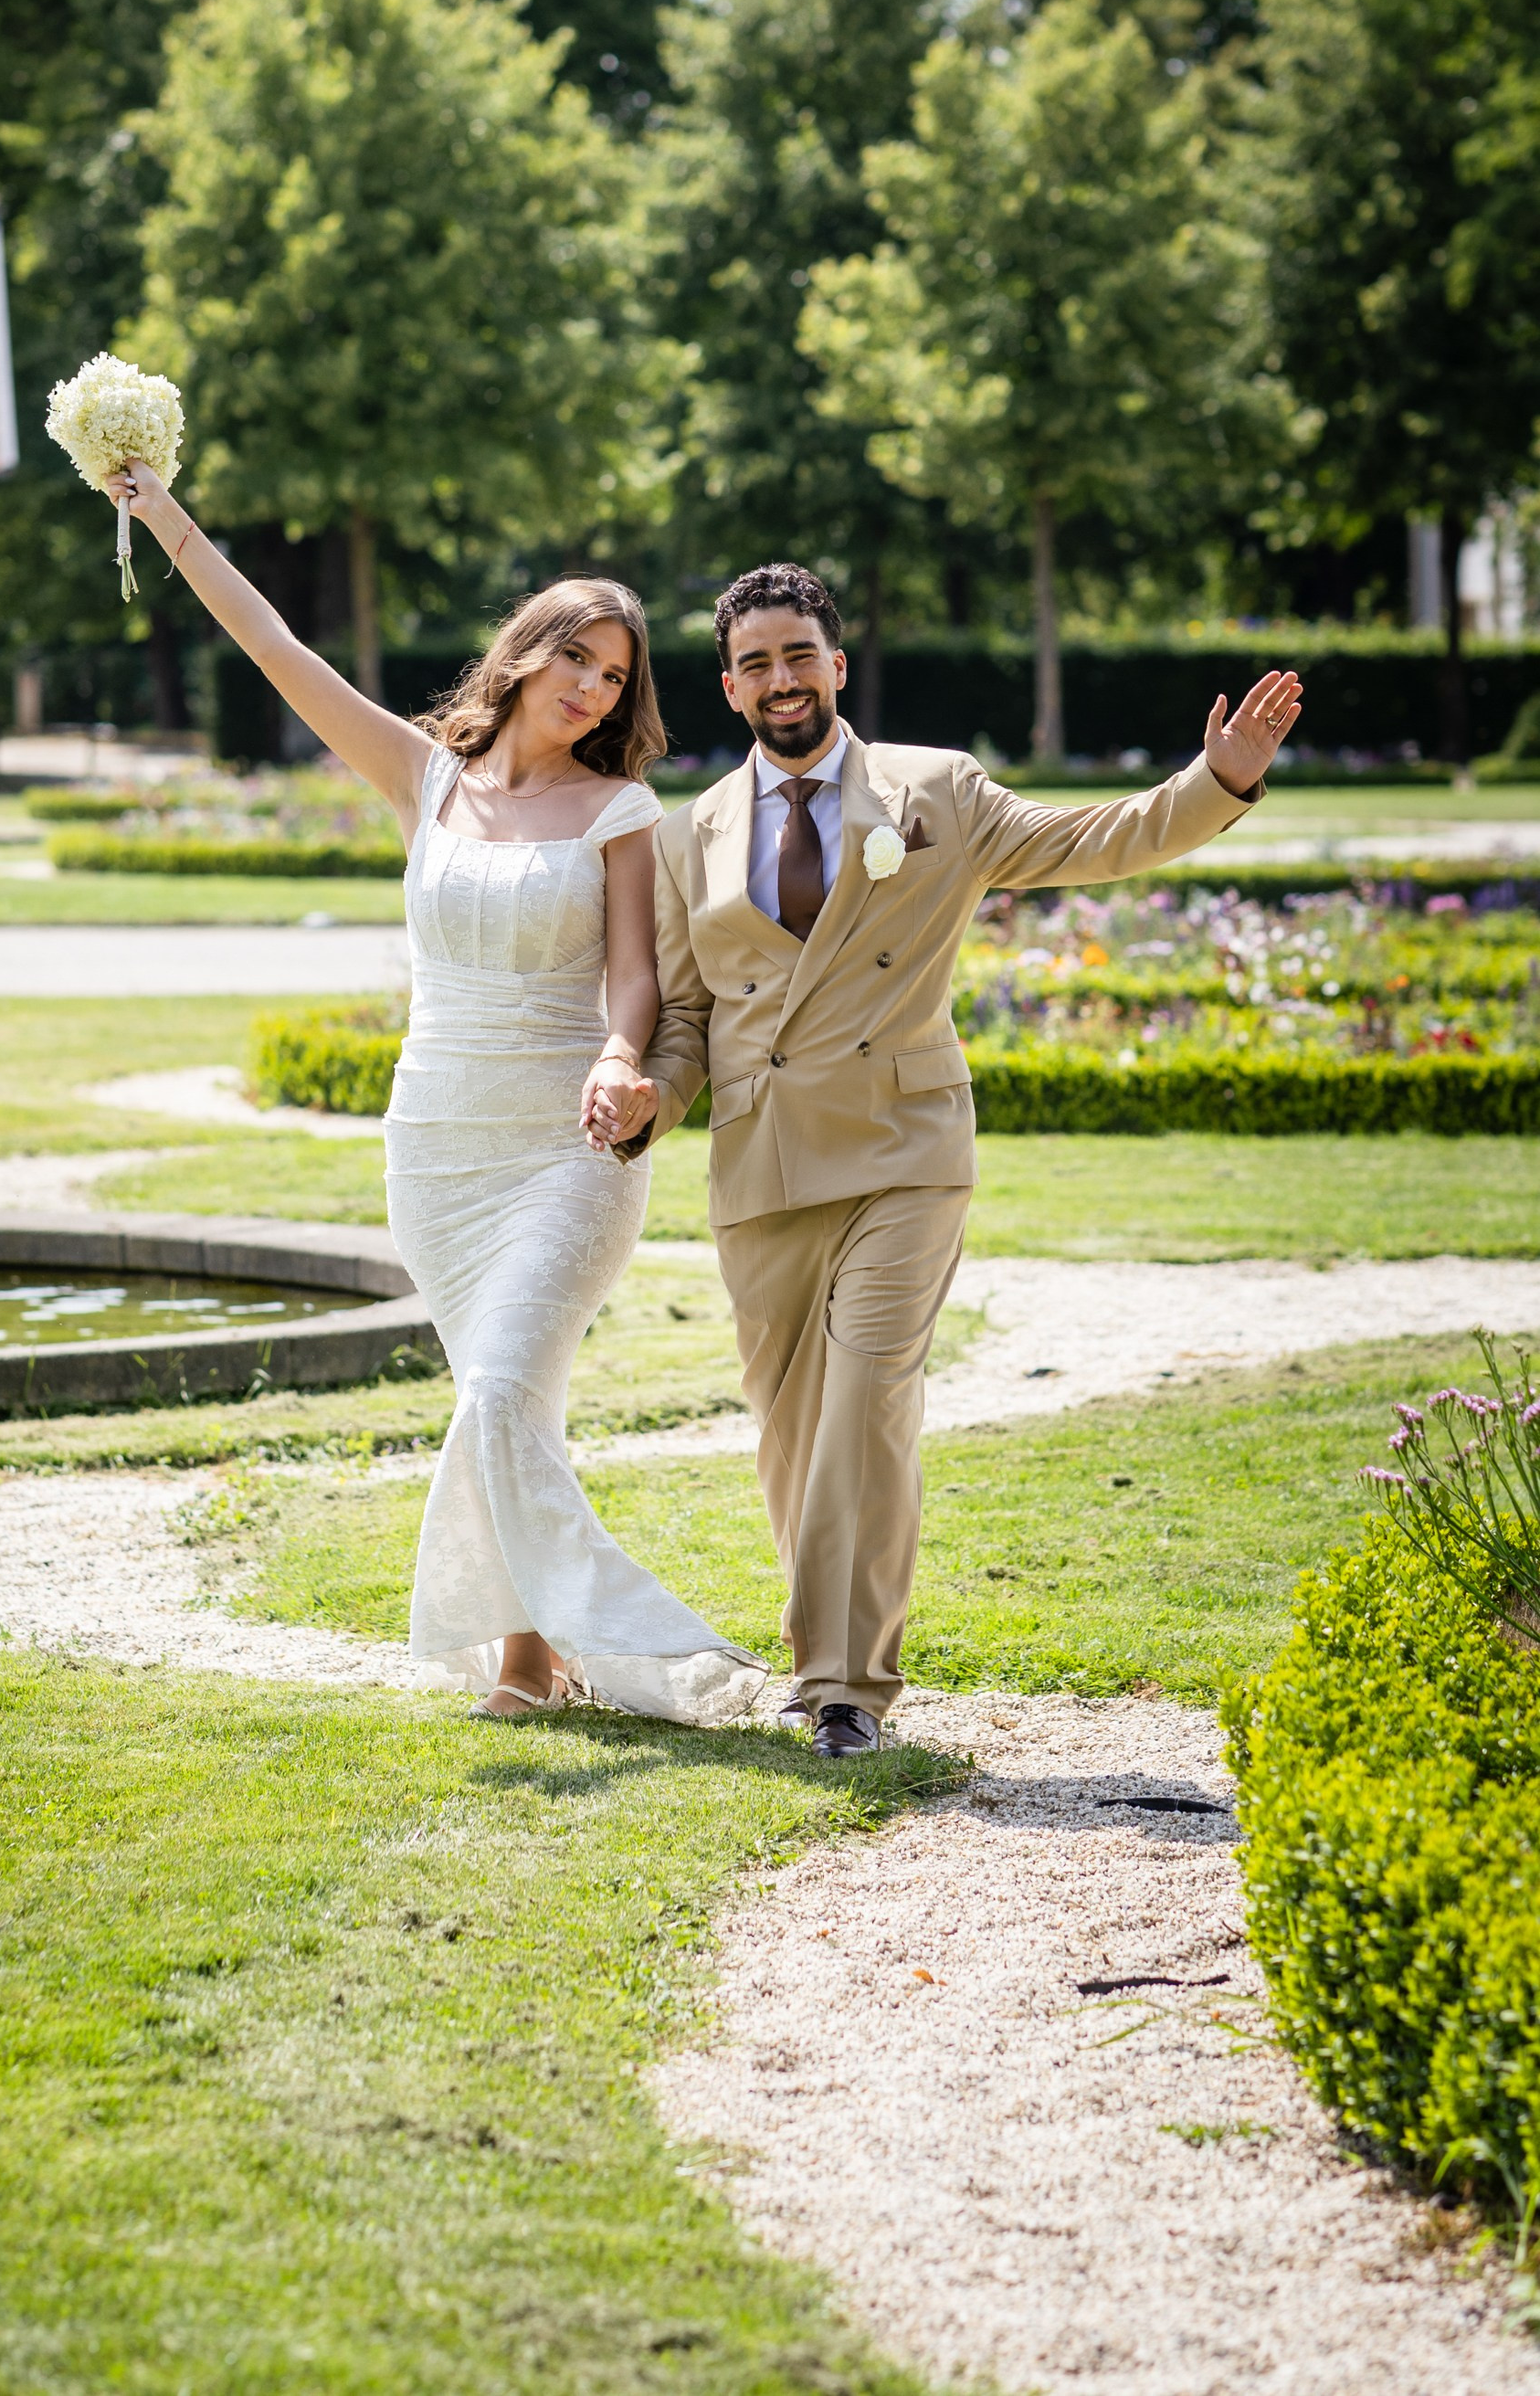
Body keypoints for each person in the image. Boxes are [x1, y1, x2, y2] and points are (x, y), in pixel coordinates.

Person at [587, 562, 1302, 1757]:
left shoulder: (937, 790)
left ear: (836, 665)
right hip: (763, 1169)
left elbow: (1089, 839)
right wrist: (647, 1097)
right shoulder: (685, 835)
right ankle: (827, 1654)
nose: (781, 679)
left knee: (867, 1402)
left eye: (799, 655)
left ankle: (843, 1688)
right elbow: (688, 1019)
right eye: (756, 663)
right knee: (793, 1434)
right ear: (729, 686)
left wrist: (1216, 780)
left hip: (905, 1149)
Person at [107, 459, 765, 1726]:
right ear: (524, 653)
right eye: (576, 657)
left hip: (566, 1147)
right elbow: (276, 647)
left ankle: (634, 1649)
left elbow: (637, 978)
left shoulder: (620, 808)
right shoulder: (424, 779)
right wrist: (163, 513)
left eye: (615, 675)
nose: (593, 687)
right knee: (505, 1403)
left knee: (503, 1389)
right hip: (437, 1146)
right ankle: (527, 1655)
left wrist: (621, 1060)